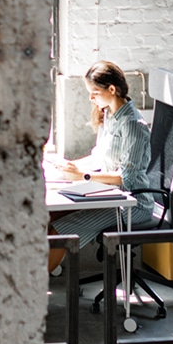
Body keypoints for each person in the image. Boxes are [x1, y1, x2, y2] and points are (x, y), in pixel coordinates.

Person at [47, 61, 155, 272]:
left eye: (94, 92)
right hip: (108, 194)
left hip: (132, 203)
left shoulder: (132, 125)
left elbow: (127, 179)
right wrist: (69, 168)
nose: (91, 98)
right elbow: (98, 157)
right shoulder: (109, 114)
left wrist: (84, 176)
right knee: (49, 216)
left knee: (58, 230)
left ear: (112, 90)